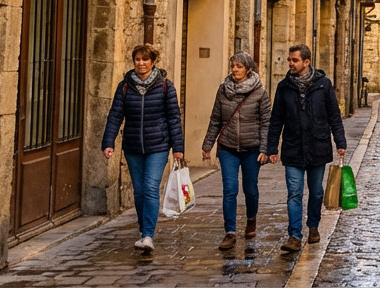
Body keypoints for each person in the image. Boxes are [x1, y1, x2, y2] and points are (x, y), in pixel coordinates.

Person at [101, 44, 185, 253]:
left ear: (153, 62)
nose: (141, 63)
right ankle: (143, 229)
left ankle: (148, 234)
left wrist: (178, 147)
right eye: (137, 59)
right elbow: (115, 115)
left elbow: (174, 117)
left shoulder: (165, 86)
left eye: (145, 60)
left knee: (149, 188)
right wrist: (108, 142)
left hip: (158, 145)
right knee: (139, 192)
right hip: (132, 145)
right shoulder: (125, 86)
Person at [266, 44, 346, 252]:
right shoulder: (284, 86)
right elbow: (276, 119)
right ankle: (294, 235)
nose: (290, 63)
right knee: (294, 192)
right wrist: (272, 147)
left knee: (317, 192)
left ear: (306, 62)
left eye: (294, 60)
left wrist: (340, 142)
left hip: (317, 146)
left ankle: (313, 226)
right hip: (293, 146)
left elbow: (333, 116)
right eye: (289, 60)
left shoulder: (323, 85)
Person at [202, 52, 272, 250]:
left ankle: (251, 219)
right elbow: (216, 119)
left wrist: (265, 148)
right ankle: (230, 232)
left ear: (248, 69)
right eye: (233, 65)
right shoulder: (223, 90)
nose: (234, 69)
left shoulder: (260, 92)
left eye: (239, 66)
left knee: (250, 188)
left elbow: (266, 122)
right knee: (230, 189)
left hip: (252, 148)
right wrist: (208, 145)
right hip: (228, 147)